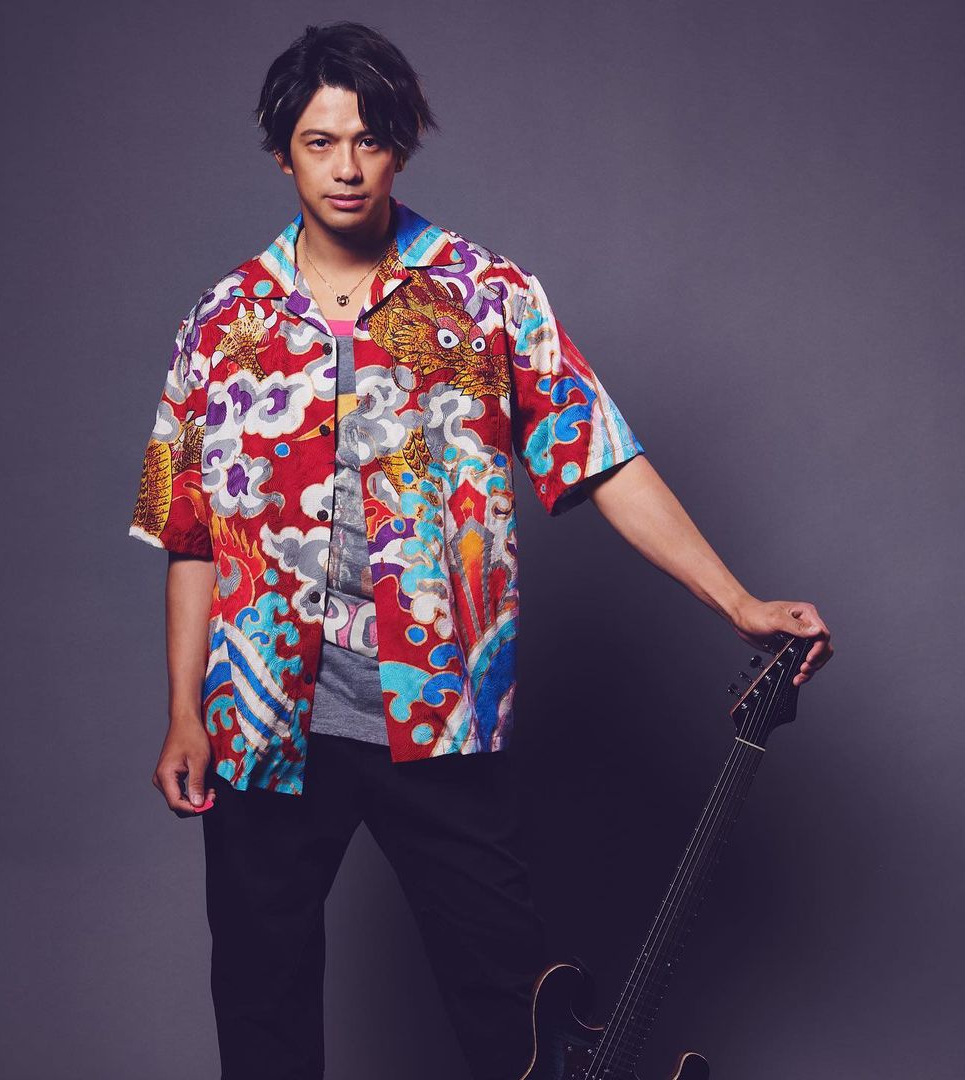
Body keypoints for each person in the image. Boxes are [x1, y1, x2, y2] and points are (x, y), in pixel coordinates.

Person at [127, 20, 834, 1080]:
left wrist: (739, 604)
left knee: (516, 1017)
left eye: (369, 140)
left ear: (400, 146)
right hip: (261, 725)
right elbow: (189, 534)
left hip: (439, 713)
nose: (347, 166)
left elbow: (601, 457)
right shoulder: (221, 320)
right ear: (283, 154)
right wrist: (185, 711)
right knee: (261, 1009)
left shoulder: (486, 294)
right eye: (321, 142)